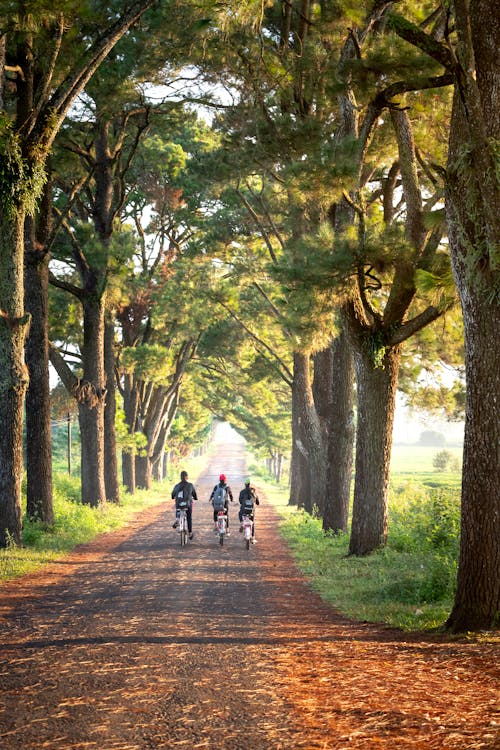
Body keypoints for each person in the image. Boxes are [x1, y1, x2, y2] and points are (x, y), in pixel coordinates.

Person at [171, 470, 198, 539]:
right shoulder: (190, 485)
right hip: (187, 504)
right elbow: (194, 494)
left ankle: (177, 519)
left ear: (180, 477)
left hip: (179, 504)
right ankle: (190, 532)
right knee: (189, 517)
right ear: (187, 477)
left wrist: (174, 496)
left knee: (178, 507)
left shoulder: (177, 486)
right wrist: (195, 498)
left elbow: (172, 495)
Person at [238, 478, 260, 543]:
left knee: (240, 513)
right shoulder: (254, 492)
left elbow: (240, 501)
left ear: (245, 484)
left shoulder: (242, 492)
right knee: (252, 522)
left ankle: (242, 523)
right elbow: (257, 502)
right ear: (251, 484)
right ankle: (253, 537)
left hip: (244, 510)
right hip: (251, 511)